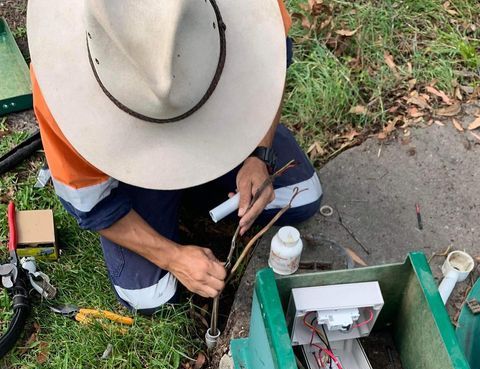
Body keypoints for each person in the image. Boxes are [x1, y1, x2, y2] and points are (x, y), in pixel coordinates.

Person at [28, 0, 322, 314]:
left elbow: (272, 69)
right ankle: (171, 198)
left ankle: (196, 191)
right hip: (133, 169)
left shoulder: (253, 10)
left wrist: (259, 156)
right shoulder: (59, 96)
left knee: (303, 195)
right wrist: (174, 258)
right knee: (150, 295)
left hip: (216, 117)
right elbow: (92, 205)